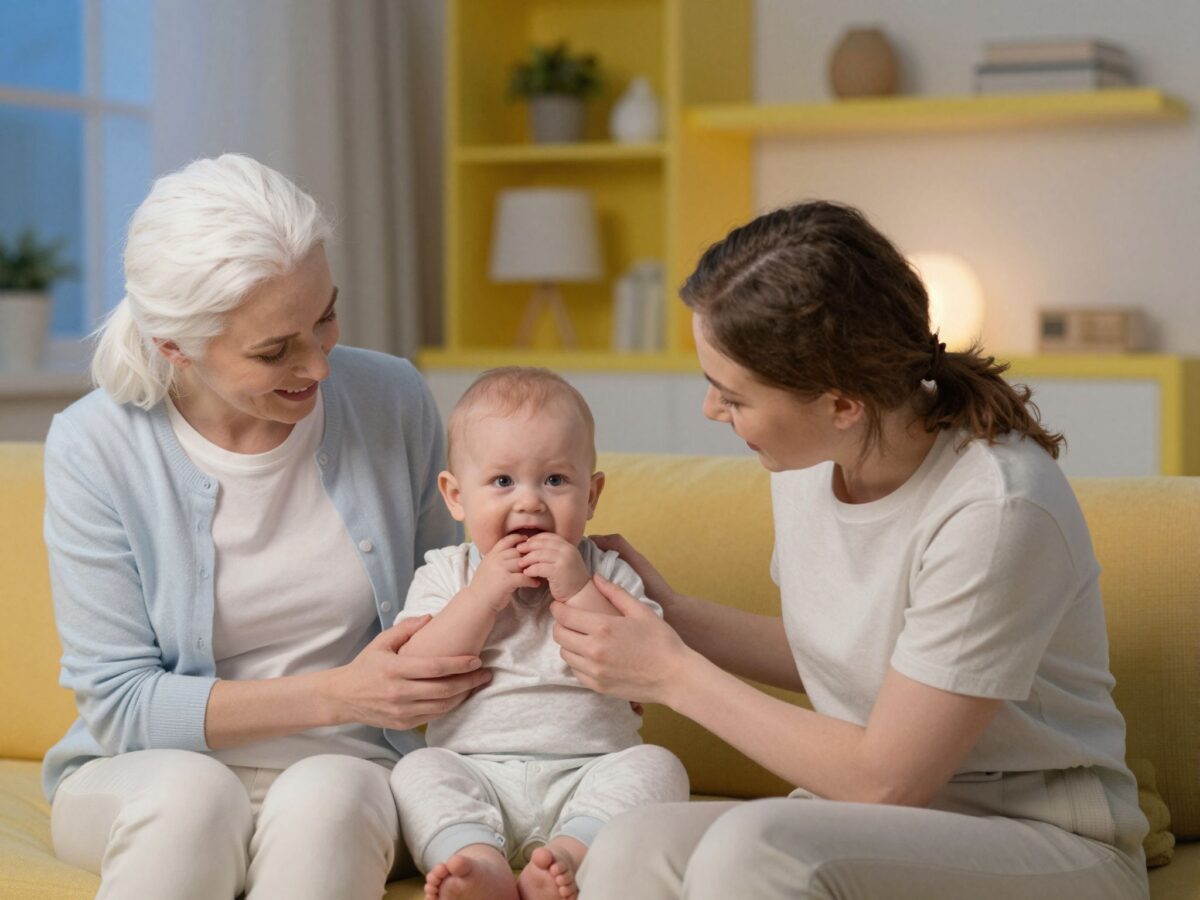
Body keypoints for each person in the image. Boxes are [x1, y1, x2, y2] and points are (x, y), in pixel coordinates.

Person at [555, 201, 1151, 900]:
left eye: (733, 395)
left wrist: (671, 675)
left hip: (1044, 837)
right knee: (633, 844)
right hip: (876, 825)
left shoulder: (995, 509)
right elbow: (851, 656)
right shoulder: (808, 460)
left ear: (842, 404)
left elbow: (886, 778)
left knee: (759, 850)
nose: (712, 412)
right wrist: (667, 617)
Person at [42, 153, 492, 900]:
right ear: (172, 345)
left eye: (325, 318)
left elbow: (451, 605)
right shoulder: (96, 444)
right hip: (143, 771)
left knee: (326, 802)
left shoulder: (392, 399)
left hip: (358, 766)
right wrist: (342, 694)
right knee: (191, 800)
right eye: (274, 350)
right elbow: (122, 704)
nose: (318, 366)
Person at [389, 367, 689, 900]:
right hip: (475, 772)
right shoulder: (445, 573)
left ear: (592, 495)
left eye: (555, 480)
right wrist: (482, 595)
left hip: (591, 770)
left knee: (658, 766)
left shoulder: (608, 572)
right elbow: (416, 671)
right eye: (503, 481)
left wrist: (576, 589)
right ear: (456, 497)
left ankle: (570, 854)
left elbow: (644, 670)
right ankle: (476, 858)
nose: (529, 502)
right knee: (418, 769)